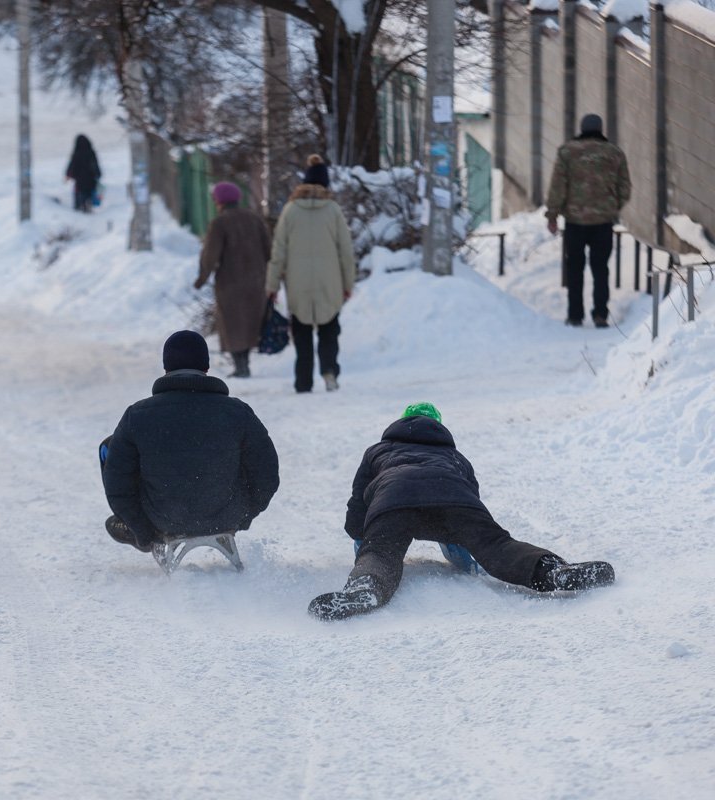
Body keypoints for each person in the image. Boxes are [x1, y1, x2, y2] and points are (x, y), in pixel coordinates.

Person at [309, 403, 616, 620]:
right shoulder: (455, 456)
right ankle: (553, 571)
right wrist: (464, 554)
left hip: (394, 501)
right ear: (440, 427)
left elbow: (357, 508)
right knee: (498, 547)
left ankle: (365, 589)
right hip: (455, 500)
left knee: (380, 554)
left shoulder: (377, 451)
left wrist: (365, 540)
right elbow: (471, 505)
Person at [101, 330, 279, 554]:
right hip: (227, 516)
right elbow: (267, 473)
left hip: (162, 519)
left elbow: (117, 483)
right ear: (206, 367)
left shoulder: (137, 415)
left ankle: (137, 533)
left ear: (166, 368)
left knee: (109, 448)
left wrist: (143, 529)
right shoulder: (237, 412)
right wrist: (244, 515)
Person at [266, 154, 356, 393]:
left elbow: (279, 251)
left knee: (302, 332)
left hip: (298, 283)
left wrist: (272, 285)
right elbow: (345, 251)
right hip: (330, 281)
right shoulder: (333, 210)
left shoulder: (290, 210)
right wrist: (349, 283)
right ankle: (329, 371)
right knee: (329, 329)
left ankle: (303, 381)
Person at [545, 113, 632, 328]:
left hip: (575, 222)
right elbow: (625, 188)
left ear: (582, 128)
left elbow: (558, 186)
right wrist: (612, 207)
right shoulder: (614, 153)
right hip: (603, 222)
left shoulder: (567, 152)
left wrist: (553, 215)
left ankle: (575, 315)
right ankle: (600, 314)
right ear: (601, 129)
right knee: (600, 268)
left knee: (575, 268)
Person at [195, 182, 272, 378]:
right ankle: (243, 363)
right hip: (256, 280)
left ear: (220, 201)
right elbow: (269, 250)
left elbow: (210, 256)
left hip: (230, 283)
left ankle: (241, 366)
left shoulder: (219, 223)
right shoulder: (254, 219)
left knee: (233, 323)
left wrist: (202, 278)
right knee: (250, 322)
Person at [65, 134, 101, 213]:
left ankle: (80, 208)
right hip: (91, 180)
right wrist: (98, 174)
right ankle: (88, 207)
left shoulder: (76, 154)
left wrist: (68, 175)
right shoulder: (91, 153)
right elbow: (95, 165)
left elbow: (72, 165)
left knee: (80, 194)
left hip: (80, 180)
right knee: (89, 193)